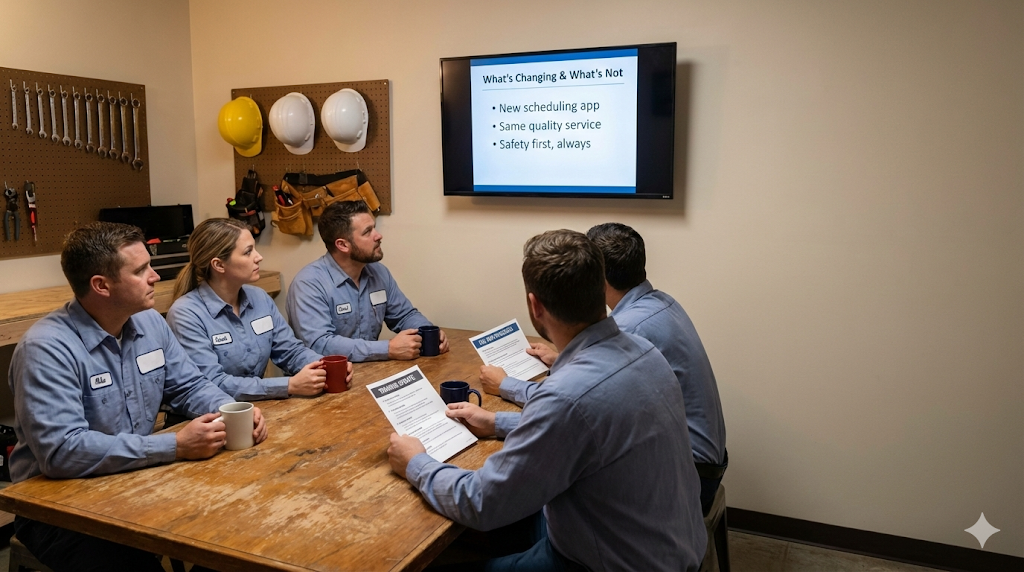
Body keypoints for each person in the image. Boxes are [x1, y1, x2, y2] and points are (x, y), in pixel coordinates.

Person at [388, 230, 706, 571]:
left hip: (607, 562)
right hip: (672, 548)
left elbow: (482, 503)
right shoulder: (646, 351)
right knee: (517, 523)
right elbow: (588, 430)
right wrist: (496, 423)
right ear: (601, 289)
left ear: (534, 306)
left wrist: (416, 464)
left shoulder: (566, 396)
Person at [7, 222, 268, 571]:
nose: (155, 276)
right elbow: (62, 451)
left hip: (136, 479)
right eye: (141, 270)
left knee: (242, 531)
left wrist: (232, 411)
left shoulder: (149, 323)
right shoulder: (47, 348)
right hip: (61, 508)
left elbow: (189, 386)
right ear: (101, 285)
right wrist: (175, 446)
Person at [481, 222, 728, 515]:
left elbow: (576, 405)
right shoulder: (660, 303)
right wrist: (564, 359)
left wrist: (507, 386)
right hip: (701, 463)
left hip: (690, 476)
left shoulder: (628, 329)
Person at [167, 218, 351, 401]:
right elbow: (213, 383)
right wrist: (288, 385)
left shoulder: (260, 298)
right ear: (219, 265)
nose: (258, 257)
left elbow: (290, 351)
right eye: (248, 252)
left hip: (259, 407)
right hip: (210, 418)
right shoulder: (186, 314)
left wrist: (326, 367)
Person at [286, 200, 448, 362]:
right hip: (322, 380)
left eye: (374, 228)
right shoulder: (308, 284)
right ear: (343, 245)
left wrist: (428, 332)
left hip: (369, 372)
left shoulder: (378, 272)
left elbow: (404, 316)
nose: (378, 236)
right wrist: (388, 349)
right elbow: (321, 344)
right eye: (367, 232)